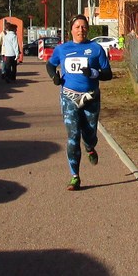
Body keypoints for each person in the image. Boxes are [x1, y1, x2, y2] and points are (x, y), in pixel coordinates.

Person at [46, 14, 112, 190]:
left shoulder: (96, 49)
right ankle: (75, 176)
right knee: (73, 136)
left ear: (87, 29)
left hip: (90, 97)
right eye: (77, 27)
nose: (80, 30)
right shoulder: (62, 49)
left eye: (83, 27)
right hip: (69, 97)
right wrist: (54, 77)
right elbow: (50, 65)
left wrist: (93, 73)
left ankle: (90, 147)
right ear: (71, 30)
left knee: (89, 135)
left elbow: (108, 74)